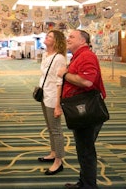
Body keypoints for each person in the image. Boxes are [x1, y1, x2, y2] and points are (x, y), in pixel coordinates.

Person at [57, 29, 106, 189]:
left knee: (86, 150)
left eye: (72, 36)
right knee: (84, 149)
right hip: (80, 110)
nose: (68, 39)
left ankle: (88, 185)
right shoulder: (79, 56)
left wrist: (64, 74)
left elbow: (87, 82)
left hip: (87, 111)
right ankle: (84, 182)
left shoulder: (86, 56)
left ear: (83, 41)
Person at [37, 30, 67, 175]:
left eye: (49, 36)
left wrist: (58, 104)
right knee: (50, 127)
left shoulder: (59, 58)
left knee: (56, 129)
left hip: (53, 97)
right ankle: (53, 152)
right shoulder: (45, 54)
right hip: (44, 94)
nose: (46, 38)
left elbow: (60, 82)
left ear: (56, 41)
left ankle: (59, 161)